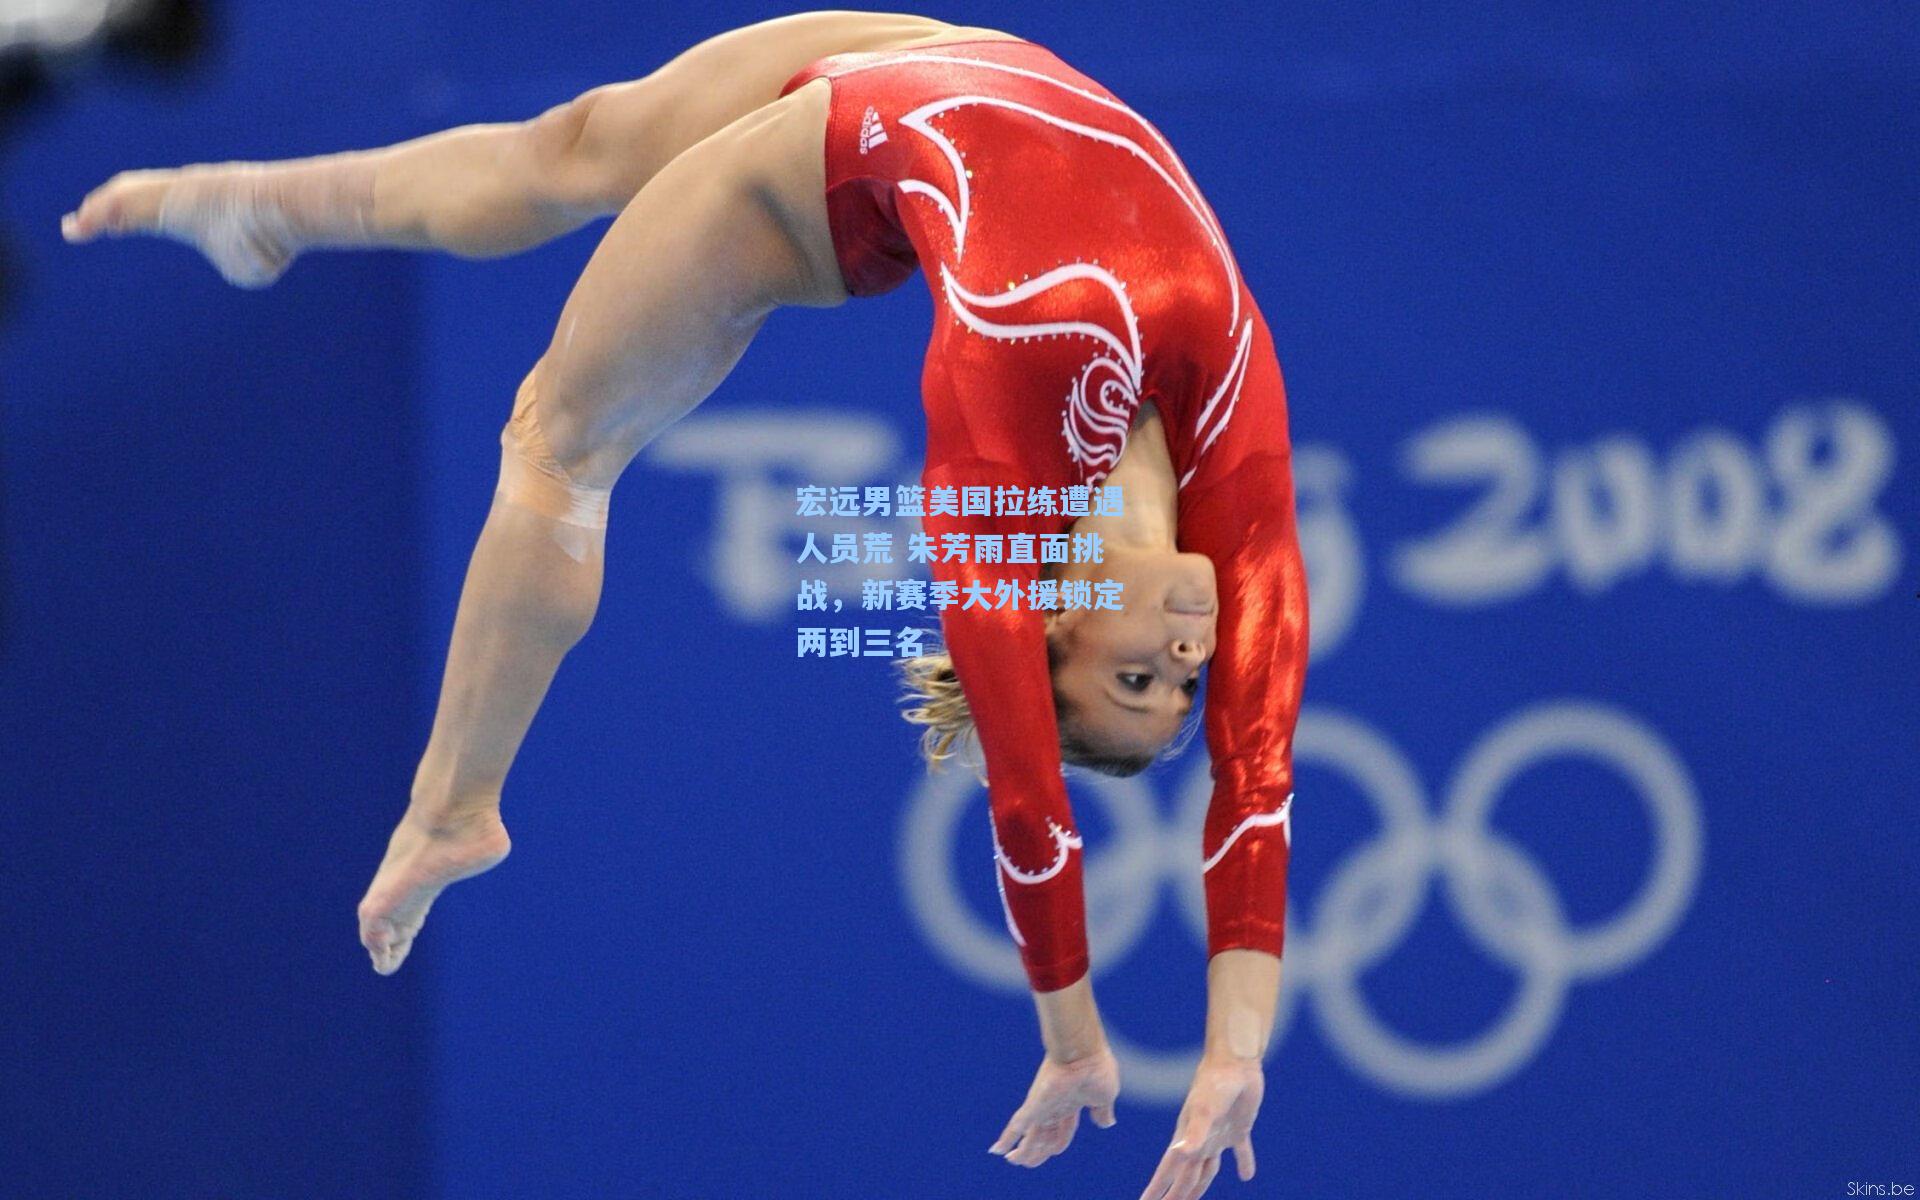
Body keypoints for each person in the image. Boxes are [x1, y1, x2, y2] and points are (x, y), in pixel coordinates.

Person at [61, 13, 1308, 1200]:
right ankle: (265, 209)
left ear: (1059, 619)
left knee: (556, 443)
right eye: (1177, 686)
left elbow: (1029, 802)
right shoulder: (1234, 460)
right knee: (578, 145)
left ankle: (455, 806)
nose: (1191, 660)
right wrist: (1236, 1052)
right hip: (956, 65)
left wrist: (1076, 1036)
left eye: (1138, 681)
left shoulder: (992, 497)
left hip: (825, 171)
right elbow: (1257, 781)